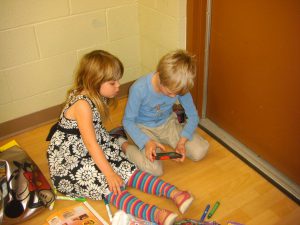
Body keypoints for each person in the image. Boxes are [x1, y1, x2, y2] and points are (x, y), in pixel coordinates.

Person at [46, 50, 194, 225]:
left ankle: (174, 193)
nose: (118, 86)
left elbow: (94, 140)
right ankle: (155, 214)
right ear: (94, 81)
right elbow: (90, 144)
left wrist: (112, 168)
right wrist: (108, 173)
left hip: (91, 145)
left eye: (118, 80)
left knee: (126, 168)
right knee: (111, 185)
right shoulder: (82, 105)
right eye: (112, 82)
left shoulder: (94, 94)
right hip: (72, 158)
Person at [122, 49, 209, 176]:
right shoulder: (138, 89)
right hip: (143, 128)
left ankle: (165, 141)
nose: (173, 96)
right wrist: (146, 141)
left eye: (177, 93)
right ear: (160, 77)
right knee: (155, 170)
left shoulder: (178, 86)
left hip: (167, 123)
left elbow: (193, 116)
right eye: (170, 93)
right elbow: (128, 121)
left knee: (200, 151)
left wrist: (182, 141)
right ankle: (123, 144)